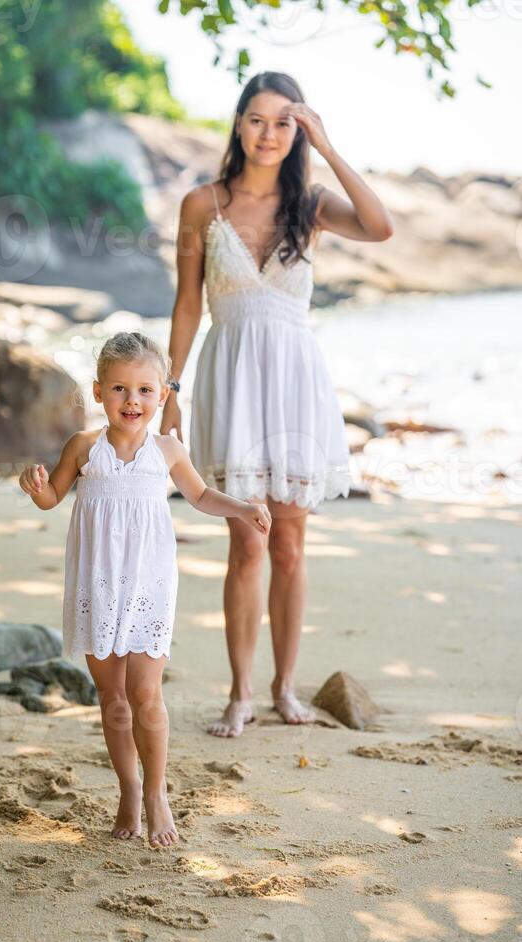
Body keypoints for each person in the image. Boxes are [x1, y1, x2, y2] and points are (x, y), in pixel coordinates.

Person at [161, 70, 394, 738]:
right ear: (238, 124)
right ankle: (240, 694)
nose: (270, 134)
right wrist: (171, 390)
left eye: (285, 123)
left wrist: (327, 142)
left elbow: (381, 227)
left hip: (295, 382)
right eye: (258, 120)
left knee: (290, 544)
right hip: (230, 377)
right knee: (247, 541)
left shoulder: (313, 205)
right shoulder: (202, 204)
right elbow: (186, 304)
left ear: (299, 132)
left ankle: (285, 687)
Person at [18, 331, 271, 847]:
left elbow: (200, 495)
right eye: (118, 389)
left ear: (162, 395)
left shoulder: (168, 450)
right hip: (97, 583)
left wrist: (244, 509)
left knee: (146, 695)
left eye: (144, 390)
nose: (131, 401)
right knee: (112, 697)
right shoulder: (83, 448)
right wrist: (36, 486)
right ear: (97, 392)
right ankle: (129, 788)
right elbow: (52, 498)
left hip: (150, 584)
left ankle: (157, 792)